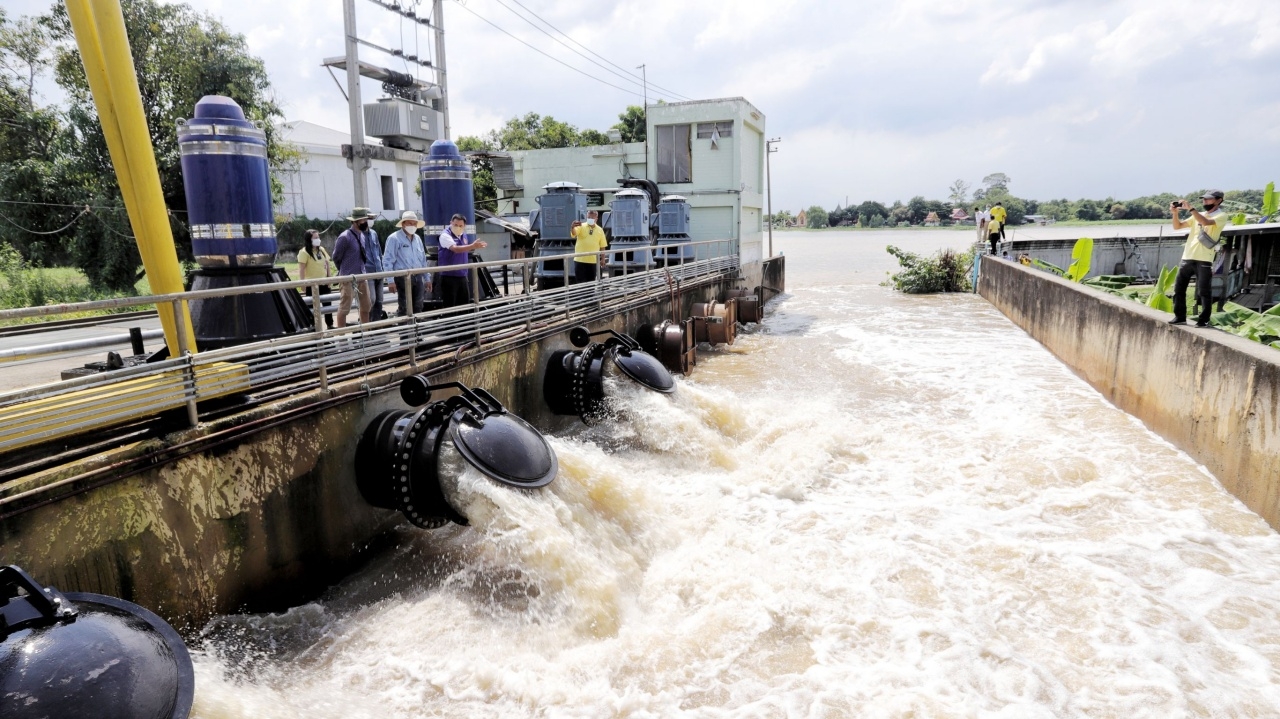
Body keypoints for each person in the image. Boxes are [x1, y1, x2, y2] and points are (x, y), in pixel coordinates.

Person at [1170, 190, 1229, 327]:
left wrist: (1191, 208)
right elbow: (1177, 226)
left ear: (1218, 200)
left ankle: (1204, 320)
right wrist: (1175, 213)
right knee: (1178, 289)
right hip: (1187, 257)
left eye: (1208, 200)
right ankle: (1180, 317)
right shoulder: (1198, 215)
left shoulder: (1221, 215)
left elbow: (1206, 222)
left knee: (1204, 291)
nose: (1205, 202)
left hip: (1204, 259)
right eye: (1204, 200)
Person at [382, 210, 430, 316]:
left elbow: (422, 260)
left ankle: (416, 331)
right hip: (402, 277)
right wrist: (390, 280)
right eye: (409, 223)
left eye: (414, 223)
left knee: (418, 305)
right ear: (403, 224)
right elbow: (388, 260)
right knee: (405, 306)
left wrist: (427, 278)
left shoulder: (417, 239)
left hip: (418, 276)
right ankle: (406, 331)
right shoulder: (394, 238)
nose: (412, 226)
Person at [332, 207, 374, 326]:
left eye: (366, 219)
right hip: (348, 277)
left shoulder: (362, 236)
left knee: (366, 306)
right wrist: (344, 271)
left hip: (362, 275)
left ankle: (366, 334)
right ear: (355, 221)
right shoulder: (345, 237)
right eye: (362, 220)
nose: (365, 222)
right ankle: (342, 337)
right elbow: (336, 257)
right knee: (344, 308)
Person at [437, 213, 487, 308]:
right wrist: (472, 246)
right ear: (451, 223)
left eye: (460, 226)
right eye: (455, 225)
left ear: (464, 226)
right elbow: (455, 249)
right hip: (449, 276)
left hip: (462, 275)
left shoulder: (463, 235)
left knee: (464, 304)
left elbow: (464, 249)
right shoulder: (445, 235)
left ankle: (464, 322)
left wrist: (472, 246)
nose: (458, 227)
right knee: (450, 306)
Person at [296, 229, 334, 329]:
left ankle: (330, 325)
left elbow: (327, 263)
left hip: (324, 283)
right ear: (309, 239)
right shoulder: (304, 252)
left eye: (318, 237)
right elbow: (302, 269)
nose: (318, 239)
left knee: (327, 305)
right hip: (311, 285)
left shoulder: (321, 249)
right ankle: (314, 327)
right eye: (315, 238)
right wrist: (303, 284)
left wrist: (329, 278)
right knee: (312, 308)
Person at [357, 211, 386, 320]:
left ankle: (376, 324)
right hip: (367, 271)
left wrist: (382, 268)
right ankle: (366, 322)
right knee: (371, 300)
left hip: (378, 270)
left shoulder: (373, 233)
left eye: (372, 218)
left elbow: (378, 251)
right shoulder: (358, 234)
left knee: (379, 300)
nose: (370, 221)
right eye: (368, 218)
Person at [570, 210, 608, 283]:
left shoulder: (600, 230)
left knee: (591, 282)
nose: (590, 219)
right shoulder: (581, 226)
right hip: (580, 260)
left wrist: (603, 259)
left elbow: (602, 246)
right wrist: (572, 228)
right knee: (580, 282)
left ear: (596, 218)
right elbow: (574, 233)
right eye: (588, 217)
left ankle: (591, 295)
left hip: (593, 261)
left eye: (592, 217)